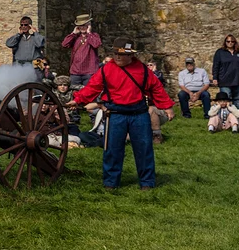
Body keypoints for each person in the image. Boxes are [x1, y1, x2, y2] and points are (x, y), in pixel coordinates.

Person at [72, 38, 174, 190]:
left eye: (122, 54)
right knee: (112, 149)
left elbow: (156, 88)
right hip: (115, 114)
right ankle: (111, 182)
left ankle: (147, 182)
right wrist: (77, 100)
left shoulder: (142, 70)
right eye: (115, 54)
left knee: (144, 148)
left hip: (139, 114)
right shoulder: (106, 69)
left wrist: (167, 107)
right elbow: (92, 87)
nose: (118, 57)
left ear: (131, 55)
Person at [60, 14, 102, 90]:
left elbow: (96, 44)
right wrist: (73, 33)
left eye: (84, 25)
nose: (82, 27)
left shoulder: (94, 36)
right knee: (74, 93)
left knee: (89, 92)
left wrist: (89, 33)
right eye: (80, 25)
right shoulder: (75, 37)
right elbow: (64, 44)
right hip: (75, 72)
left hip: (89, 72)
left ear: (88, 25)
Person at [211, 34, 239, 108]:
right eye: (228, 41)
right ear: (225, 42)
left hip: (238, 80)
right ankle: (226, 115)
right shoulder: (220, 52)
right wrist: (215, 78)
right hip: (224, 80)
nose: (230, 43)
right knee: (225, 101)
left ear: (235, 42)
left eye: (232, 41)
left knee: (237, 100)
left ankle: (237, 115)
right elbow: (216, 66)